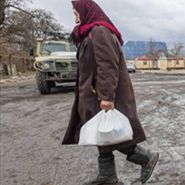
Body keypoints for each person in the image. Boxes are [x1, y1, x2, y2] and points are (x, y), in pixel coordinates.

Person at [61, 0, 159, 184]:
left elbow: (107, 65)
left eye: (76, 14)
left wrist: (106, 96)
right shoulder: (89, 32)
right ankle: (107, 175)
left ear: (86, 10)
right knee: (102, 134)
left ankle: (146, 158)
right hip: (93, 94)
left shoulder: (99, 31)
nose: (75, 20)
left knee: (114, 133)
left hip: (103, 95)